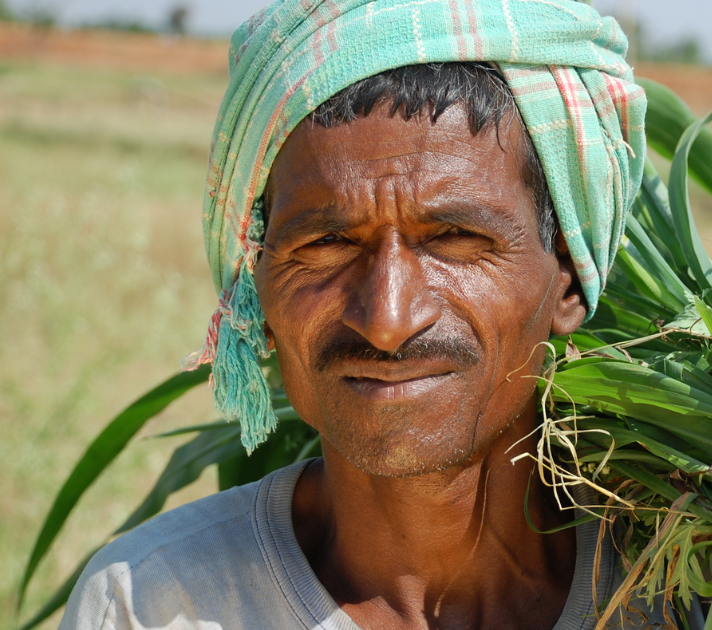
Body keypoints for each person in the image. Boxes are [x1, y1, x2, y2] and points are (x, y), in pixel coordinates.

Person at [59, 1, 657, 628]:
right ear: (256, 290)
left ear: (568, 274)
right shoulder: (152, 603)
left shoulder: (696, 591)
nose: (388, 319)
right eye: (326, 245)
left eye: (452, 237)